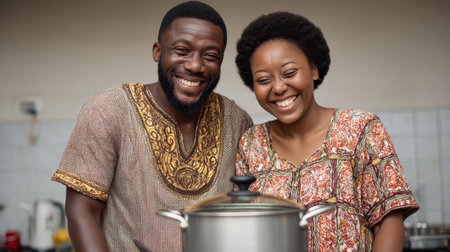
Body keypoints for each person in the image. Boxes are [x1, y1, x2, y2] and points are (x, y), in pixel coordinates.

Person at [51, 1, 252, 251]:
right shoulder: (110, 110)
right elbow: (82, 211)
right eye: (182, 50)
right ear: (158, 51)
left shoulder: (237, 121)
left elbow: (243, 216)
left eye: (210, 56)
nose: (195, 65)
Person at [235, 12, 419, 251]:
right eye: (263, 79)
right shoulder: (251, 143)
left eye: (290, 73)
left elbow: (388, 222)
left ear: (313, 70)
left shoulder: (360, 128)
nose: (279, 87)